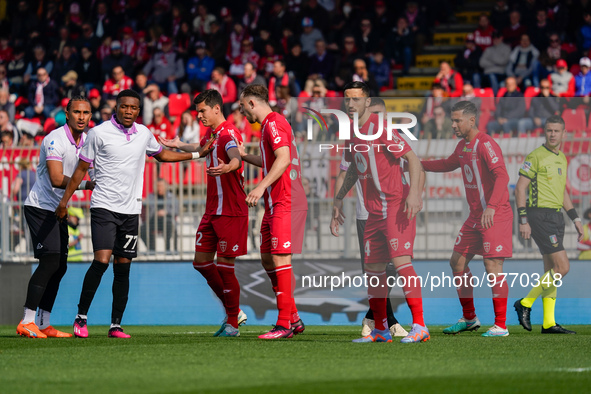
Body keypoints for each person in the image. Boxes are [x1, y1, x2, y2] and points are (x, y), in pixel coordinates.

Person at [55, 90, 206, 339]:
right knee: (101, 261)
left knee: (123, 268)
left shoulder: (144, 134)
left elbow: (163, 155)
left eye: (133, 108)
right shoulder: (98, 133)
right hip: (104, 207)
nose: (129, 111)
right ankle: (81, 318)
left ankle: (116, 325)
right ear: (116, 107)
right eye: (124, 107)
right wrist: (65, 201)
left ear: (138, 110)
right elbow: (82, 169)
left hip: (131, 211)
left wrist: (198, 154)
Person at [331, 81, 428, 343]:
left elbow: (413, 159)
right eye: (347, 99)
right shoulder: (351, 131)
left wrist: (414, 194)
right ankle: (382, 330)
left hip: (395, 207)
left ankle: (420, 326)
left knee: (402, 264)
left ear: (366, 101)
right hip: (373, 213)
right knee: (373, 272)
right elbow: (352, 168)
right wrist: (339, 199)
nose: (350, 104)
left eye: (356, 99)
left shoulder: (380, 127)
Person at [160, 89, 248, 337]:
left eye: (202, 111)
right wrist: (179, 145)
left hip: (230, 210)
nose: (199, 116)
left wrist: (228, 167)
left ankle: (232, 322)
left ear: (217, 108)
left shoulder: (228, 133)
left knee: (225, 266)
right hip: (213, 210)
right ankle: (235, 311)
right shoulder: (212, 134)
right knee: (201, 262)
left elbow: (236, 158)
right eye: (197, 112)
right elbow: (201, 147)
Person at [422, 100, 513, 337]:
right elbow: (446, 164)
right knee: (457, 263)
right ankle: (470, 317)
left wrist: (491, 207)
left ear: (472, 120)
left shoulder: (486, 144)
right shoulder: (463, 146)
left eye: (457, 120)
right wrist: (416, 164)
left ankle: (501, 325)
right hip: (475, 217)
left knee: (492, 266)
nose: (453, 125)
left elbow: (502, 176)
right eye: (452, 120)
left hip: (496, 214)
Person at [16, 96, 94, 338]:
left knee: (59, 267)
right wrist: (88, 185)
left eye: (86, 113)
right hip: (40, 207)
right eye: (77, 112)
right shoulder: (54, 139)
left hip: (58, 208)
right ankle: (26, 320)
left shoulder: (87, 140)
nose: (82, 117)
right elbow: (56, 178)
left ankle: (42, 322)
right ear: (67, 114)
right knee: (49, 262)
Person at [237, 84, 308, 339]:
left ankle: (283, 324)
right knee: (268, 259)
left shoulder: (274, 123)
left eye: (243, 106)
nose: (242, 112)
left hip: (287, 200)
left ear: (252, 103)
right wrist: (245, 156)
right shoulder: (269, 126)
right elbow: (271, 160)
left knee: (280, 260)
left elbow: (284, 158)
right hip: (275, 202)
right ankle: (294, 317)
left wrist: (259, 187)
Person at [514, 115, 583, 334]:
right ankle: (525, 302)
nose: (552, 134)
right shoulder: (535, 156)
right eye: (549, 130)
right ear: (545, 132)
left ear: (564, 134)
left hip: (556, 217)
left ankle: (548, 323)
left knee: (551, 270)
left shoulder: (562, 158)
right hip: (539, 215)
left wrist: (575, 218)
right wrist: (523, 220)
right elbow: (520, 188)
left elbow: (562, 192)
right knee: (563, 267)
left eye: (556, 131)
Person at [140, 179, 177, 252]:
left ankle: (168, 250)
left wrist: (166, 211)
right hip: (153, 220)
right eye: (157, 186)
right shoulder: (151, 196)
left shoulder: (172, 196)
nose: (159, 188)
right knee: (142, 229)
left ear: (166, 187)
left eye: (161, 186)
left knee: (169, 227)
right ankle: (151, 249)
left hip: (167, 220)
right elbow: (146, 205)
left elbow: (176, 210)